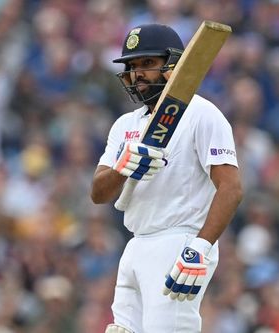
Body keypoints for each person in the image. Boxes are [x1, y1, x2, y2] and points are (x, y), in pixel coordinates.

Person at [91, 23, 243, 333]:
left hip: (178, 239)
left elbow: (231, 187)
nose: (138, 74)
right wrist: (122, 167)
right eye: (133, 66)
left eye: (148, 63)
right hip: (135, 244)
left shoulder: (203, 114)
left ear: (173, 64)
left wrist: (200, 247)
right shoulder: (125, 125)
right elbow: (98, 193)